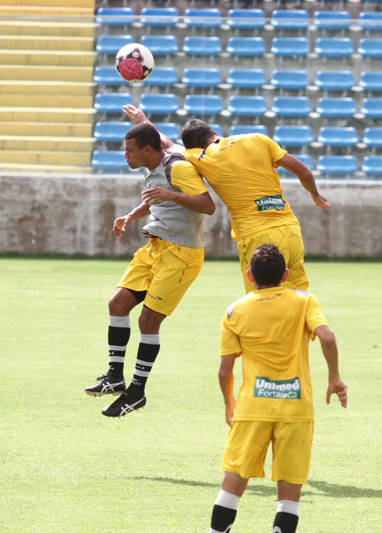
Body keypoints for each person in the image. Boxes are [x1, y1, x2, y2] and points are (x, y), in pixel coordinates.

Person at [210, 243, 347, 533]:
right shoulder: (304, 300)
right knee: (289, 497)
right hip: (295, 409)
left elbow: (225, 370)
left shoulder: (235, 310)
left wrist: (228, 403)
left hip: (252, 408)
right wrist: (334, 378)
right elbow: (328, 337)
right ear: (286, 274)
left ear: (250, 275)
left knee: (232, 484)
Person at [123, 106, 329, 293]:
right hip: (290, 229)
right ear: (211, 132)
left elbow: (166, 144)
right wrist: (315, 195)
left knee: (262, 301)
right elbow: (304, 172)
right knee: (300, 298)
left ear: (193, 146)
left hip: (257, 235)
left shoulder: (202, 156)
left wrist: (143, 121)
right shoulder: (258, 139)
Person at [85, 122, 215, 418]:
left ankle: (136, 392)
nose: (125, 156)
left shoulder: (178, 169)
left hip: (182, 255)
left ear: (146, 150)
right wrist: (130, 216)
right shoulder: (152, 167)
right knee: (117, 304)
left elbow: (208, 206)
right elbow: (156, 198)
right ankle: (115, 376)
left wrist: (173, 196)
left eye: (129, 151)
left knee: (148, 321)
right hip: (155, 247)